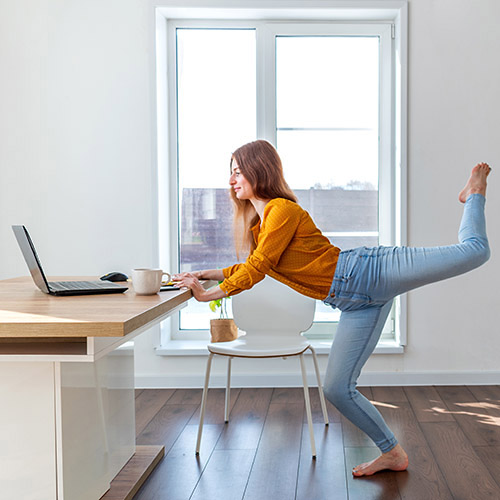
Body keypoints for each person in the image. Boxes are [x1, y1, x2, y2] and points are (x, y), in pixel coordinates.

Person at [173, 139, 491, 476]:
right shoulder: (263, 225)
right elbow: (254, 264)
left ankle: (474, 194)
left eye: (237, 172)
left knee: (475, 251)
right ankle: (393, 453)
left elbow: (258, 267)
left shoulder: (281, 210)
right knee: (337, 389)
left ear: (257, 170)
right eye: (231, 173)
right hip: (355, 303)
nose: (231, 180)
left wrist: (207, 295)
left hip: (372, 270)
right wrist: (206, 274)